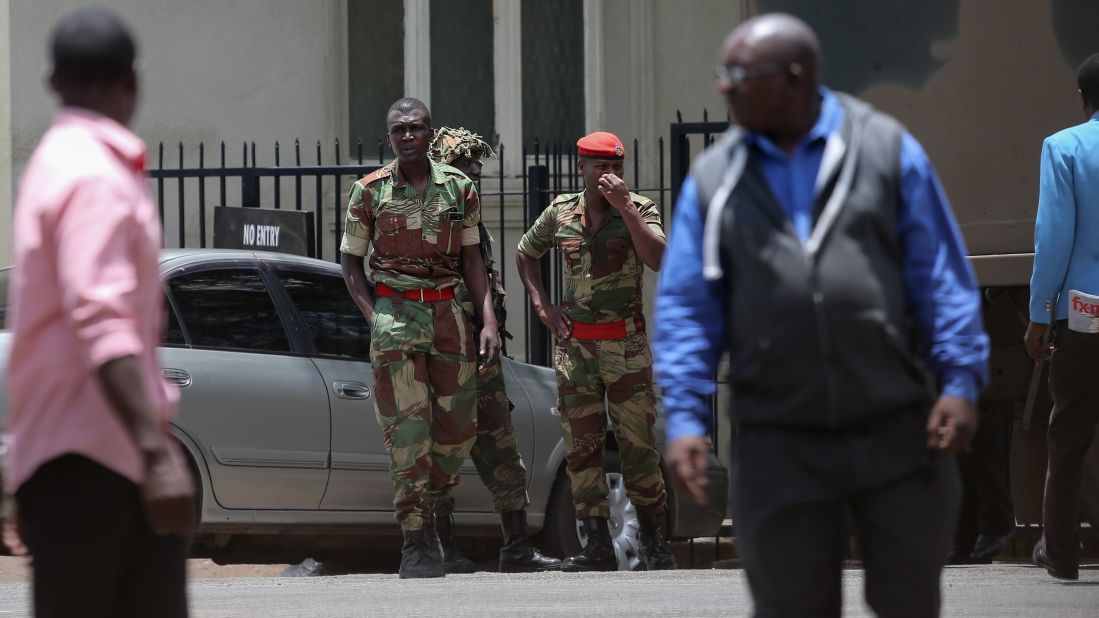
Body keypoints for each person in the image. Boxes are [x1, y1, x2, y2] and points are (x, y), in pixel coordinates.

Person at [654, 13, 988, 617]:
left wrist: (961, 379)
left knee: (910, 601)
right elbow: (687, 306)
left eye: (738, 75)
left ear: (793, 77)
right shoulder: (716, 178)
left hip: (894, 427)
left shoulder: (884, 150)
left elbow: (939, 274)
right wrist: (682, 415)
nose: (724, 87)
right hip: (778, 438)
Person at [2, 7, 194, 617]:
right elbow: (101, 322)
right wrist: (156, 455)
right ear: (132, 80)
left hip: (71, 460)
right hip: (102, 465)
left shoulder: (54, 164)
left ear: (51, 81)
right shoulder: (96, 179)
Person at [339, 98, 499, 579]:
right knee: (408, 431)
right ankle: (416, 538)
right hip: (396, 311)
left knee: (457, 430)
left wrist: (487, 321)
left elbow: (473, 261)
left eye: (416, 128)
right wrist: (375, 318)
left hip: (449, 312)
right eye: (398, 130)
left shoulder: (460, 188)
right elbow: (350, 264)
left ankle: (434, 508)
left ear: (430, 133)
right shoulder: (369, 191)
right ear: (389, 137)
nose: (407, 136)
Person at [516, 131, 676, 572]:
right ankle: (596, 546)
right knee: (581, 448)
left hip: (624, 345)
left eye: (616, 167)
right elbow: (525, 254)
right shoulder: (561, 212)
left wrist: (625, 206)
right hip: (575, 349)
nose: (609, 175)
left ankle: (657, 545)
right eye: (600, 167)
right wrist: (541, 305)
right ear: (582, 167)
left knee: (637, 446)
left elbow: (660, 259)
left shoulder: (639, 208)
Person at [426, 127, 561, 573]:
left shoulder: (472, 222)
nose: (474, 175)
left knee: (502, 447)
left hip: (482, 358)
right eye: (465, 167)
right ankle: (444, 549)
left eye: (477, 170)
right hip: (444, 356)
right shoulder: (428, 219)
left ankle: (517, 547)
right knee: (442, 449)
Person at [1024, 51, 1099, 582]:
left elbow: (1053, 240)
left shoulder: (1065, 147)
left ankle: (1062, 553)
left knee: (1068, 432)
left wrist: (1038, 315)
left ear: (1082, 98)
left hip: (1086, 313)